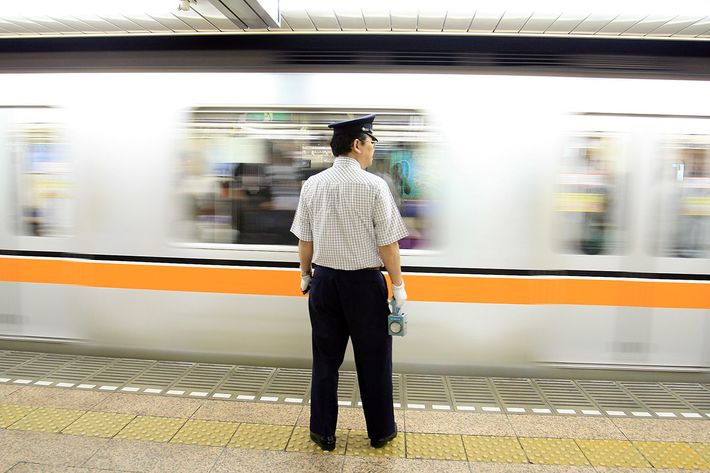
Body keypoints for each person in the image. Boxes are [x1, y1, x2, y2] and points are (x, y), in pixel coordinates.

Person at [290, 114, 408, 451]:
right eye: (371, 144)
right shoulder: (374, 186)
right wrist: (398, 286)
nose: (372, 151)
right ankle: (380, 432)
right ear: (357, 144)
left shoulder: (312, 185)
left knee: (325, 360)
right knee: (374, 360)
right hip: (364, 285)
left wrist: (305, 275)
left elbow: (304, 240)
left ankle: (323, 432)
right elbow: (388, 244)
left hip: (324, 283)